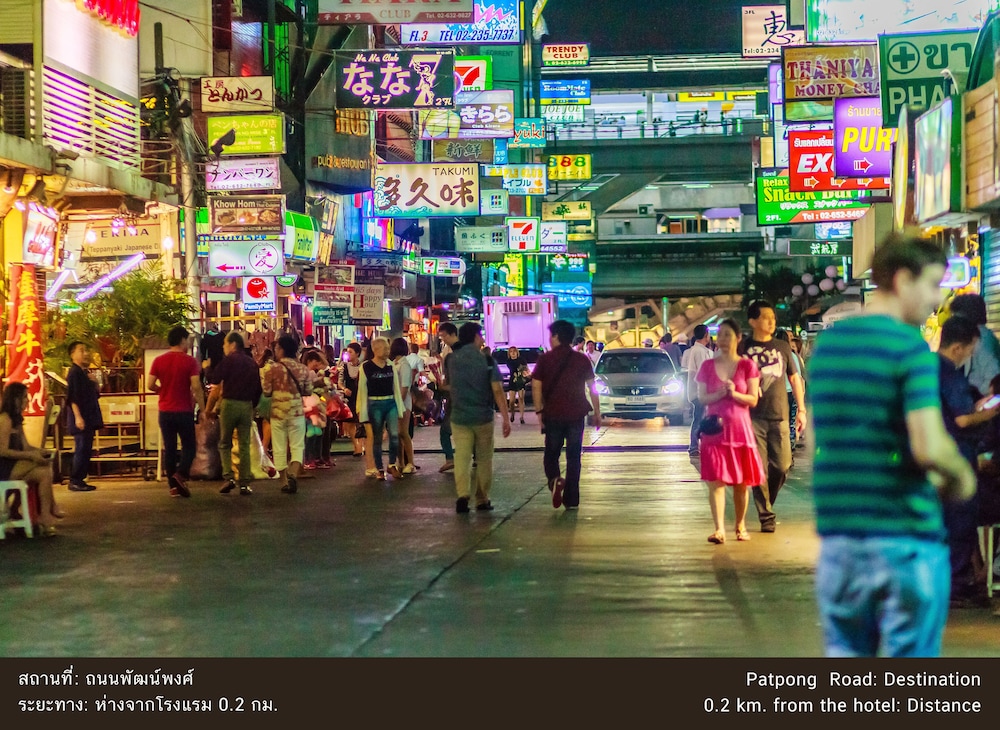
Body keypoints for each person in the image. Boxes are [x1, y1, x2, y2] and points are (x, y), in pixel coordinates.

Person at [809, 232, 976, 657]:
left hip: (840, 540)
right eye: (933, 285)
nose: (936, 299)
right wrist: (961, 480)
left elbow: (816, 443)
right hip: (905, 539)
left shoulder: (828, 348)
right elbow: (928, 446)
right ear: (903, 280)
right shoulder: (910, 350)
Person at [935, 315, 998, 607]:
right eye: (972, 348)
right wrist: (990, 412)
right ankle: (956, 586)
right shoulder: (950, 374)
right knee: (960, 523)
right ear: (959, 347)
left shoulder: (927, 369)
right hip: (956, 457)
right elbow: (961, 420)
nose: (972, 354)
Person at [739, 300, 806, 533]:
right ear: (753, 321)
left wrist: (802, 410)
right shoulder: (743, 348)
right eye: (765, 317)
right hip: (751, 417)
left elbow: (795, 378)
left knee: (782, 465)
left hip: (780, 415)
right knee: (758, 468)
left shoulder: (783, 347)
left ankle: (767, 502)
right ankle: (766, 516)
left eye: (773, 317)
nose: (771, 321)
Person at [695, 319, 764, 544]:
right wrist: (719, 394)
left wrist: (734, 394)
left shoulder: (747, 366)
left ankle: (740, 525)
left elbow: (753, 399)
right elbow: (702, 397)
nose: (723, 339)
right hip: (714, 432)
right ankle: (719, 529)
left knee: (741, 483)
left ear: (738, 338)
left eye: (728, 334)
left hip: (740, 431)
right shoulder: (707, 366)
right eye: (720, 335)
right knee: (716, 481)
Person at [531, 320, 601, 511]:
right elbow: (592, 387)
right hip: (576, 415)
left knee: (551, 454)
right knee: (573, 457)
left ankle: (554, 481)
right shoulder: (582, 359)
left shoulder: (545, 359)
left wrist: (538, 411)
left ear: (555, 337)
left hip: (553, 414)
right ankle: (571, 498)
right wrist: (597, 412)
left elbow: (536, 386)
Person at [446, 323, 510, 513]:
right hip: (483, 417)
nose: (482, 339)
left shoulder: (451, 359)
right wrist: (506, 418)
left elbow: (449, 385)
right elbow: (498, 390)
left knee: (462, 457)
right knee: (484, 459)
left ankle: (462, 496)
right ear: (475, 336)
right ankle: (482, 498)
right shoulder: (488, 361)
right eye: (481, 335)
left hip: (459, 417)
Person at [149, 326, 206, 498]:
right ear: (182, 340)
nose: (188, 342)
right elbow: (196, 386)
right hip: (183, 410)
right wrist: (203, 409)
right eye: (187, 339)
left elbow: (150, 385)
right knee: (189, 446)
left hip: (165, 411)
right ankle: (181, 474)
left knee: (170, 448)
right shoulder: (189, 361)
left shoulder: (159, 361)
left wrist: (162, 391)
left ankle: (173, 487)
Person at [0, 382, 61, 535]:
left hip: (16, 464)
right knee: (41, 464)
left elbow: (26, 446)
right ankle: (50, 510)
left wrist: (40, 451)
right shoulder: (5, 420)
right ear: (15, 399)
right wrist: (31, 456)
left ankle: (44, 515)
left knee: (44, 472)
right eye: (24, 397)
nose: (27, 400)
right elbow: (3, 451)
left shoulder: (17, 420)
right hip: (5, 466)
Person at [208, 331, 261, 495]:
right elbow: (258, 388)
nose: (223, 347)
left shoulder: (228, 361)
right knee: (244, 444)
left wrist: (207, 368)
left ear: (232, 344)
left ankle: (229, 477)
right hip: (246, 406)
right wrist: (252, 406)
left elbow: (215, 379)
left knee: (225, 443)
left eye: (224, 344)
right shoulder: (251, 363)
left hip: (229, 404)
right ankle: (244, 483)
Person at [263, 335, 312, 494]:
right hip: (297, 412)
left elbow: (267, 391)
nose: (275, 351)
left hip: (278, 412)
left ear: (282, 350)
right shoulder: (303, 368)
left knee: (279, 446)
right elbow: (308, 391)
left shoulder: (272, 368)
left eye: (277, 348)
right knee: (297, 445)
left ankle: (284, 481)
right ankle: (293, 473)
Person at [357, 337, 405, 481]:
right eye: (385, 349)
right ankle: (379, 468)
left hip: (390, 402)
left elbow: (396, 387)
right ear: (375, 350)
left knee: (394, 435)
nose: (388, 351)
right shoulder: (365, 367)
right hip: (374, 403)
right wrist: (362, 409)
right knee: (377, 438)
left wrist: (399, 406)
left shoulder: (391, 365)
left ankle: (391, 464)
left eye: (388, 349)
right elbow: (362, 390)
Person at [65, 341, 103, 492]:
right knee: (81, 448)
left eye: (86, 350)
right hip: (81, 418)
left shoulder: (85, 373)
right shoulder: (74, 373)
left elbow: (94, 395)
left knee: (86, 449)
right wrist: (78, 417)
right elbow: (72, 398)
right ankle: (75, 480)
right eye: (81, 350)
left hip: (89, 417)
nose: (85, 353)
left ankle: (80, 479)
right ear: (72, 354)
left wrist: (95, 383)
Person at [948, 293, 1000, 398]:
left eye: (956, 316)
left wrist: (973, 395)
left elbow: (993, 378)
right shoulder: (977, 335)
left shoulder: (980, 339)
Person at [681, 324, 714, 457]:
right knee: (700, 419)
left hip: (701, 392)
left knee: (700, 418)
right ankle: (694, 446)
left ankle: (697, 445)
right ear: (706, 334)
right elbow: (703, 372)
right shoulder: (699, 351)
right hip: (701, 392)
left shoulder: (701, 350)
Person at [390, 337, 417, 475]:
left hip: (402, 402)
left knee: (403, 432)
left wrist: (398, 402)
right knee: (397, 433)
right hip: (396, 401)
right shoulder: (395, 363)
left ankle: (410, 462)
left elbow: (405, 386)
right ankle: (400, 462)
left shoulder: (404, 365)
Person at [774, 328, 804, 449]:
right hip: (791, 393)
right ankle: (789, 447)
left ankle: (780, 447)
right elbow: (798, 377)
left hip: (778, 394)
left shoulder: (772, 355)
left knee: (779, 423)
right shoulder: (792, 355)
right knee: (791, 422)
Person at [436, 323, 459, 473]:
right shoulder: (452, 352)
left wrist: (443, 386)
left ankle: (450, 459)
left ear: (451, 334)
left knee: (446, 430)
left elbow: (456, 382)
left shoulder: (454, 355)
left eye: (443, 336)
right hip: (464, 399)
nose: (442, 339)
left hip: (457, 399)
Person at [302, 351, 331, 469]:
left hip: (315, 405)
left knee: (316, 432)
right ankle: (311, 458)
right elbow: (308, 387)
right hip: (310, 405)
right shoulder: (307, 373)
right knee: (313, 433)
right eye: (315, 361)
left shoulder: (311, 373)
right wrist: (321, 381)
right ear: (309, 361)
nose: (317, 364)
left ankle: (315, 458)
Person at [339, 343, 365, 458]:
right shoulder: (344, 366)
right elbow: (340, 382)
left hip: (361, 396)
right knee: (349, 422)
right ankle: (357, 446)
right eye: (347, 352)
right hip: (349, 397)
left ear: (357, 353)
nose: (348, 354)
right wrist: (344, 389)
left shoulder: (363, 366)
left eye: (351, 352)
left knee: (361, 421)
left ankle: (361, 446)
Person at [506, 345, 529, 425]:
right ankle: (512, 413)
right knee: (511, 401)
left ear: (517, 352)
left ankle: (521, 417)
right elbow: (513, 368)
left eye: (514, 351)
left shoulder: (522, 359)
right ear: (509, 353)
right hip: (513, 380)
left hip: (520, 380)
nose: (513, 353)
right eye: (511, 352)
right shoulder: (508, 361)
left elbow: (525, 368)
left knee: (521, 398)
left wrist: (526, 374)